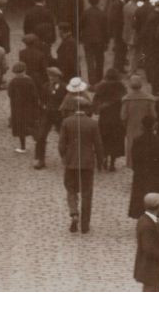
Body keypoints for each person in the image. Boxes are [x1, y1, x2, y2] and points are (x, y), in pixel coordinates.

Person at [59, 93, 101, 233]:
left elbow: (61, 144)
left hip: (71, 162)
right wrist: (100, 161)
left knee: (71, 189)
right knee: (87, 193)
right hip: (87, 163)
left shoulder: (66, 122)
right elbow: (98, 144)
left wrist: (64, 157)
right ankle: (85, 225)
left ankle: (74, 212)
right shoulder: (93, 123)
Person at [128, 114, 159, 218]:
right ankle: (155, 216)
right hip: (155, 175)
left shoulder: (137, 140)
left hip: (140, 174)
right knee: (155, 196)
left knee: (140, 196)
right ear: (155, 126)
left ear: (142, 126)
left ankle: (140, 216)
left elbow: (134, 158)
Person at [134, 192, 159, 291]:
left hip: (152, 267)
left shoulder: (147, 219)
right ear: (158, 207)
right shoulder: (147, 224)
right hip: (151, 268)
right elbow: (148, 248)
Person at [94, 68, 128, 171]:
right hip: (116, 118)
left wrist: (97, 110)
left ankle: (104, 159)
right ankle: (112, 164)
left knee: (104, 139)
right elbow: (124, 100)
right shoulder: (121, 86)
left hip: (105, 118)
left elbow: (95, 100)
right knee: (115, 141)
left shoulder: (101, 86)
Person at [33, 66, 65, 169]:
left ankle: (66, 158)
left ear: (58, 77)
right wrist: (42, 106)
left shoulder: (64, 87)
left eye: (53, 76)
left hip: (60, 116)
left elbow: (67, 102)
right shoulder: (46, 86)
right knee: (41, 136)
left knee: (64, 138)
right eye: (49, 76)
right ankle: (40, 159)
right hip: (47, 115)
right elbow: (41, 99)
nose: (51, 78)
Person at [120, 74, 157, 167]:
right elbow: (153, 114)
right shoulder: (149, 98)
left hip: (131, 125)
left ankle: (131, 162)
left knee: (131, 144)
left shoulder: (126, 99)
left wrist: (125, 125)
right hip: (146, 125)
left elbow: (123, 116)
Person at [80, 0, 109, 81]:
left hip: (88, 40)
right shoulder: (102, 14)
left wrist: (82, 38)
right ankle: (99, 79)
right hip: (100, 41)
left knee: (89, 61)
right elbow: (106, 30)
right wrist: (106, 42)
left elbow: (80, 26)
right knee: (100, 60)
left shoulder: (85, 13)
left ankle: (92, 81)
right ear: (98, 1)